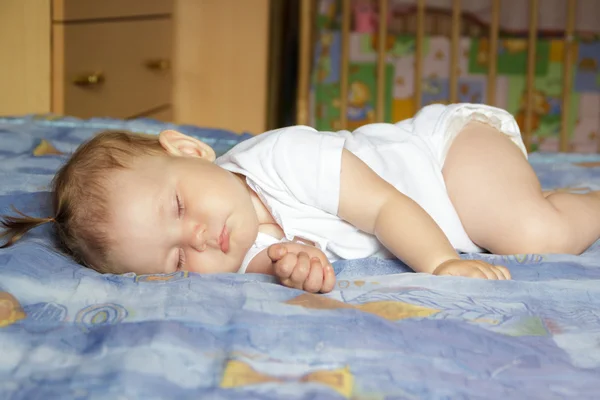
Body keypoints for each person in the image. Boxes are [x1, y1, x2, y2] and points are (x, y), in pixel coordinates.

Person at [3, 104, 600, 294]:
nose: (199, 239)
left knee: (530, 235)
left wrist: (441, 264)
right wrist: (299, 266)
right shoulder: (227, 251)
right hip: (452, 205)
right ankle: (557, 196)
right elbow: (278, 258)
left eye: (180, 209)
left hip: (442, 159)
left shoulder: (282, 158)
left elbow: (384, 208)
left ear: (189, 151)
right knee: (502, 223)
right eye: (176, 261)